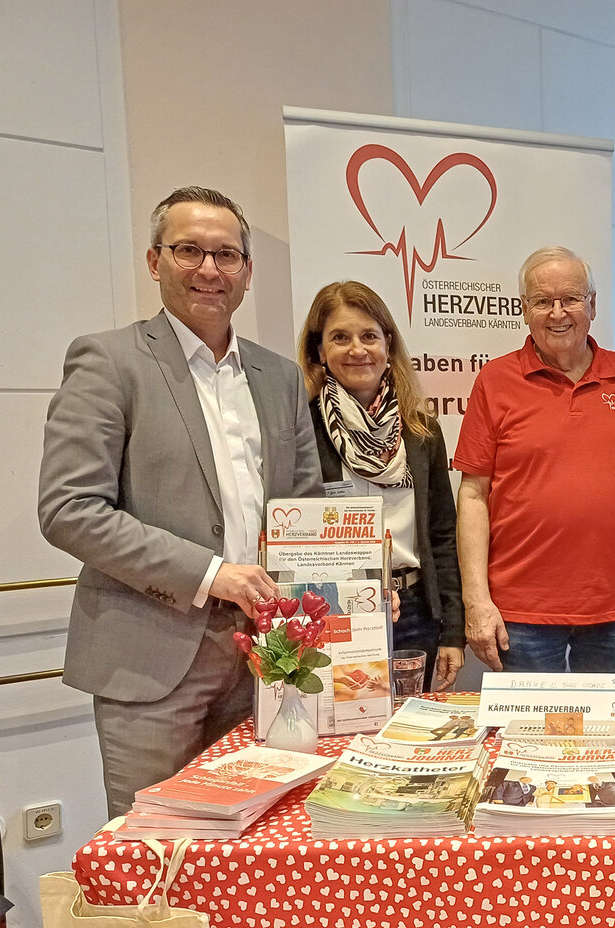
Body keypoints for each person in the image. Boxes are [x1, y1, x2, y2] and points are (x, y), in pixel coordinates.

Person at [38, 186, 321, 817]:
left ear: (247, 270)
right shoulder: (109, 362)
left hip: (265, 658)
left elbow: (300, 510)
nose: (209, 270)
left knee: (254, 851)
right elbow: (68, 508)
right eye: (189, 250)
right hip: (152, 659)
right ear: (154, 260)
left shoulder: (278, 377)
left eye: (226, 255)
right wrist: (212, 574)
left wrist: (350, 575)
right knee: (157, 854)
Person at [454, 247, 615, 673]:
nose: (557, 313)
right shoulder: (495, 381)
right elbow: (473, 495)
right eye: (542, 301)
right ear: (523, 309)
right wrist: (476, 600)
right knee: (526, 739)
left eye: (570, 298)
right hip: (522, 609)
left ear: (592, 304)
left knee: (613, 737)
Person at [297, 281, 464, 690]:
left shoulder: (421, 431)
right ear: (320, 351)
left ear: (388, 346)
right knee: (340, 734)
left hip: (415, 613)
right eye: (340, 338)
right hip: (334, 612)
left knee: (414, 735)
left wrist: (453, 632)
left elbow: (442, 535)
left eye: (369, 336)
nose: (357, 350)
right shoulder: (301, 429)